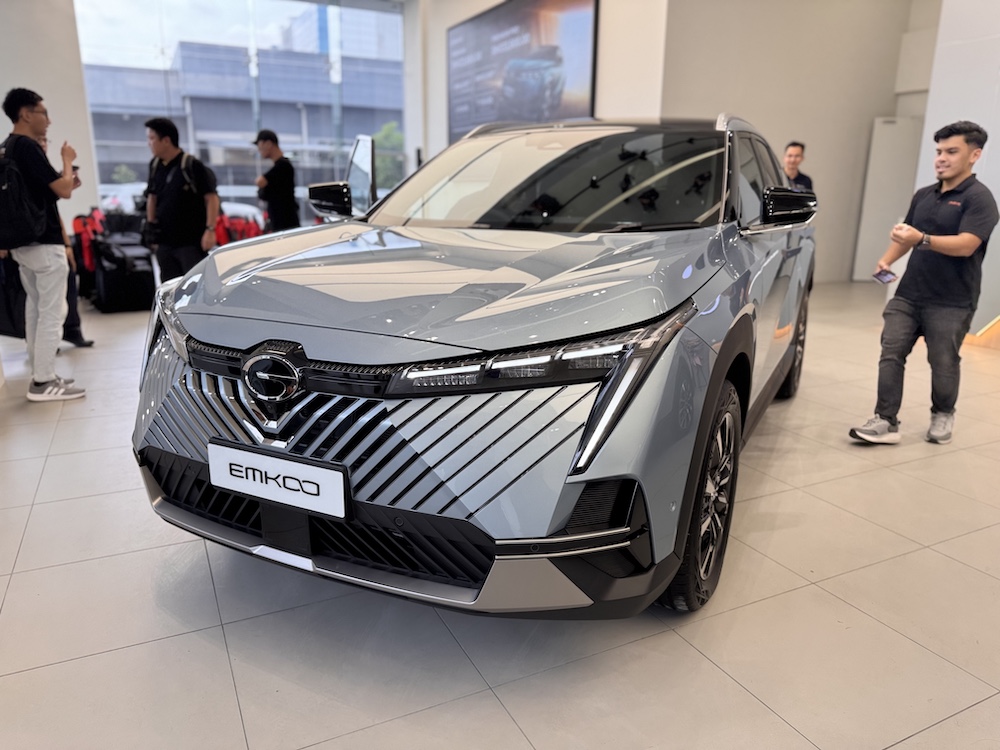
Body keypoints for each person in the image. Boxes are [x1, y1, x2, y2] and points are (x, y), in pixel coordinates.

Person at [850, 120, 999, 446]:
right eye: (938, 151)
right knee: (891, 352)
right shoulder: (924, 195)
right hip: (909, 294)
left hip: (952, 300)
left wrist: (922, 239)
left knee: (943, 361)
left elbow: (967, 245)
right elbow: (908, 235)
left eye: (951, 151)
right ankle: (886, 420)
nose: (941, 158)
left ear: (974, 155)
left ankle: (943, 413)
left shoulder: (980, 199)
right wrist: (887, 259)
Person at [1, 88, 85, 401]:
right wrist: (67, 160)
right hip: (44, 243)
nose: (48, 120)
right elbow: (63, 189)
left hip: (23, 243)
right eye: (43, 113)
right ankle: (43, 381)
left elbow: (49, 189)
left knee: (35, 308)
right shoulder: (27, 146)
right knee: (52, 311)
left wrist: (65, 179)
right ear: (26, 114)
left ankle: (41, 373)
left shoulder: (7, 147)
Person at [144, 117, 219, 280]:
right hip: (165, 242)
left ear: (166, 140)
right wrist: (150, 226)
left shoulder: (191, 165)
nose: (149, 143)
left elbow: (211, 198)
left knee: (195, 286)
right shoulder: (155, 165)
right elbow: (152, 196)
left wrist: (210, 230)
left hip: (190, 242)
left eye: (152, 138)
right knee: (170, 287)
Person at [37, 134, 93, 348]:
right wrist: (67, 162)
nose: (43, 144)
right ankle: (45, 345)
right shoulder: (23, 164)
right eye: (39, 140)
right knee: (43, 301)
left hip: (52, 239)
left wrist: (67, 243)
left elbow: (53, 207)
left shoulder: (42, 168)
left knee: (67, 281)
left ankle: (70, 330)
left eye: (45, 140)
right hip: (34, 243)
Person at [253, 129, 300, 231]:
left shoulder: (283, 166)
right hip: (280, 222)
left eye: (260, 145)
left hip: (285, 223)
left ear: (269, 144)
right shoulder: (280, 166)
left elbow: (260, 181)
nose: (259, 150)